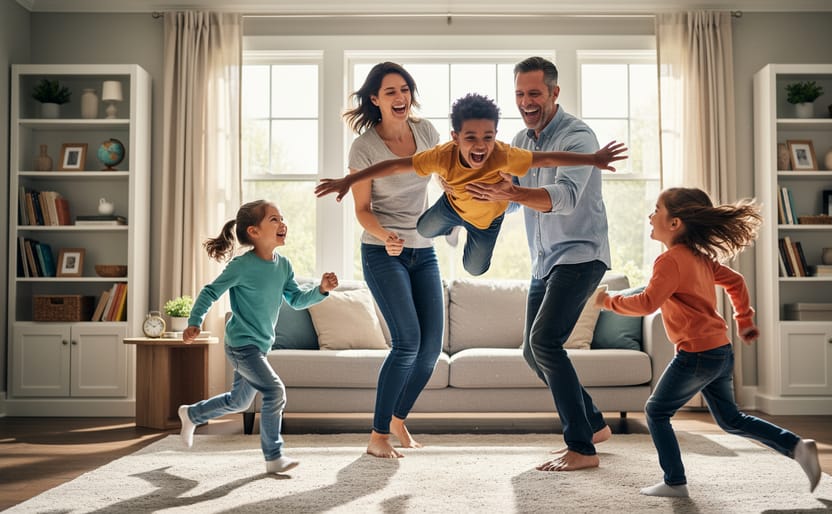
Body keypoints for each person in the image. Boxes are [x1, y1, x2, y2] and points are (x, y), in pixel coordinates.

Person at [595, 187, 822, 497]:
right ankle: (796, 446)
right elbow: (736, 282)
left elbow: (647, 303)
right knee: (731, 419)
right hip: (719, 350)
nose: (650, 216)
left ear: (674, 223)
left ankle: (675, 482)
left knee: (657, 412)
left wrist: (608, 301)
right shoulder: (698, 258)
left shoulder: (669, 261)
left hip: (697, 354)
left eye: (656, 210)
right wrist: (744, 320)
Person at [465, 56, 619, 471]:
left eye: (534, 93)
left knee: (546, 343)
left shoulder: (578, 138)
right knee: (533, 353)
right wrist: (495, 193)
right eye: (519, 94)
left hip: (581, 255)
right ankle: (594, 425)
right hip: (545, 261)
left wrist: (513, 194)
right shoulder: (521, 140)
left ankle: (581, 449)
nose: (526, 102)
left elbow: (565, 198)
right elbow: (517, 201)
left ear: (554, 92)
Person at [316, 92, 626, 276]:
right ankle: (453, 226)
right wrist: (351, 178)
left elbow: (546, 159)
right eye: (471, 138)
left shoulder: (504, 154)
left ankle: (463, 231)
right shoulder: (442, 155)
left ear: (496, 136)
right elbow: (396, 165)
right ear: (455, 137)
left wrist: (593, 159)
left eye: (488, 137)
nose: (480, 146)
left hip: (487, 221)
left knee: (475, 269)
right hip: (453, 207)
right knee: (423, 229)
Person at [177, 200, 339, 474]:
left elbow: (297, 300)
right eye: (274, 219)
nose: (282, 223)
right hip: (241, 346)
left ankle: (191, 413)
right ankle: (273, 456)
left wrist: (321, 290)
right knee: (275, 391)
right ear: (253, 231)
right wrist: (194, 322)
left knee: (239, 401)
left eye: (282, 218)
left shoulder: (283, 265)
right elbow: (210, 292)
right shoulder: (242, 266)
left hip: (260, 347)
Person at [343, 62, 444, 459]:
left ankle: (399, 418)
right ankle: (378, 435)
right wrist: (386, 235)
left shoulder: (427, 132)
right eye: (390, 92)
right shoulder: (364, 148)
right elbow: (362, 209)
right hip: (382, 251)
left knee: (430, 350)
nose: (400, 97)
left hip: (423, 249)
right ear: (375, 99)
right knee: (407, 343)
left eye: (404, 89)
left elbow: (445, 178)